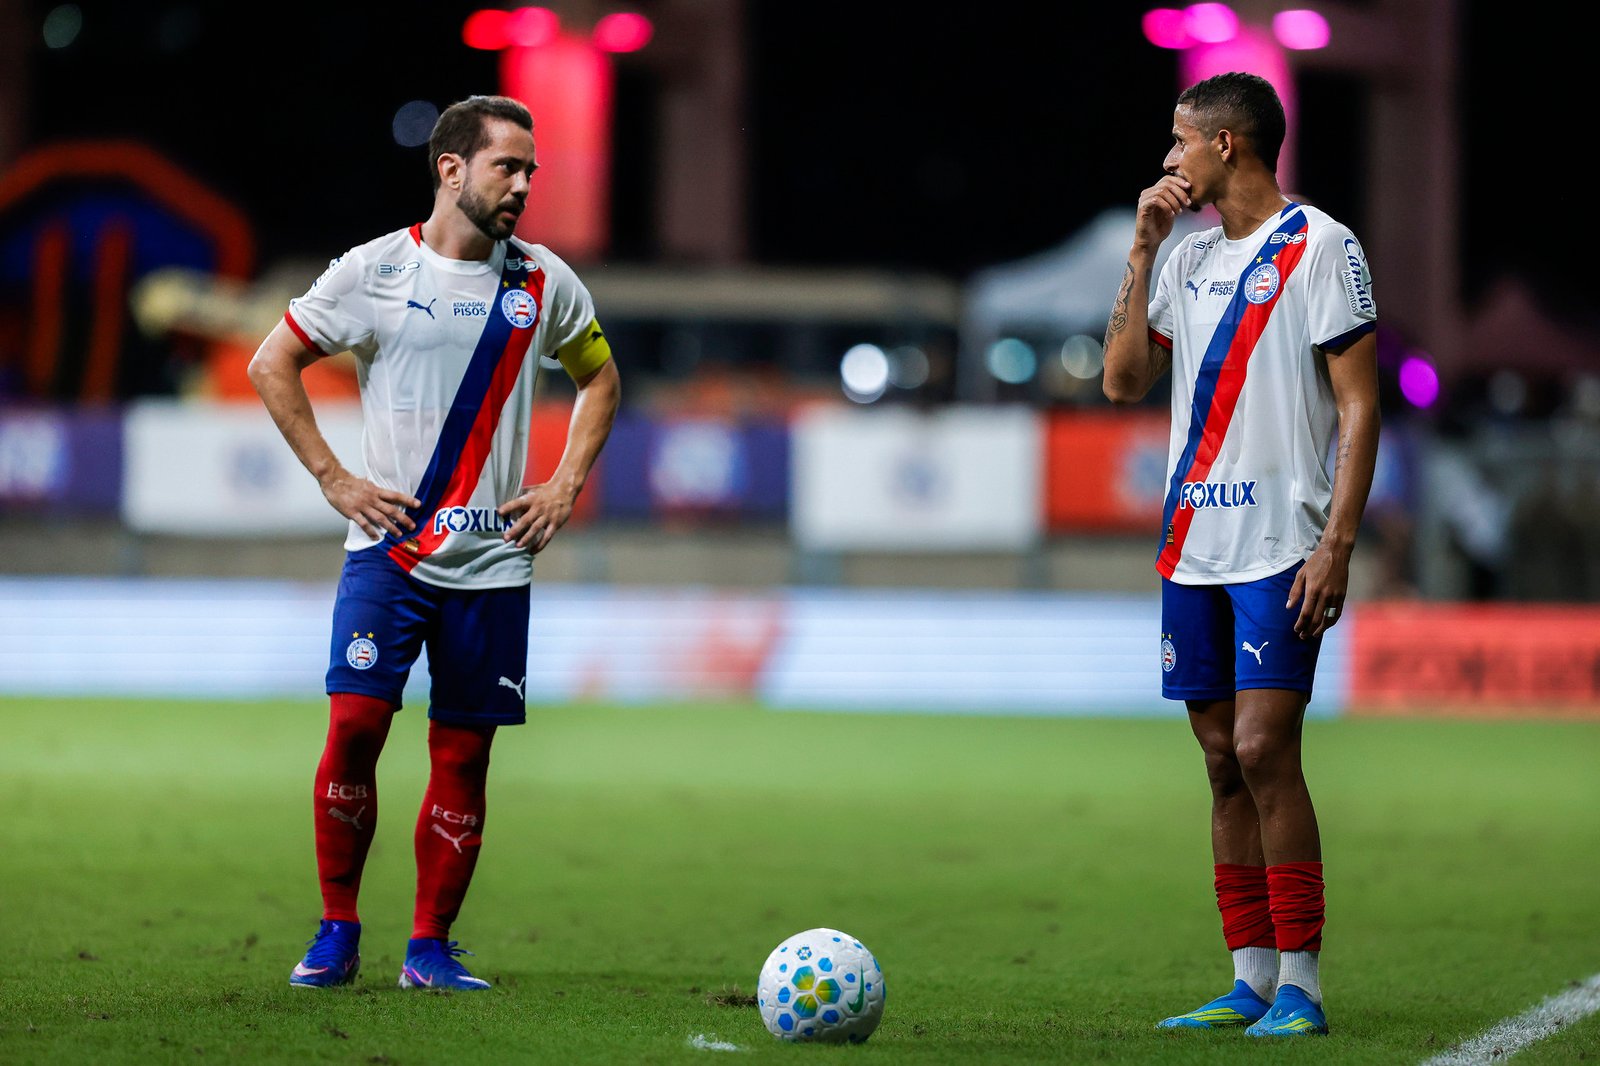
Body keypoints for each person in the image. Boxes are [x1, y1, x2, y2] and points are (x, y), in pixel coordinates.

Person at [248, 95, 620, 991]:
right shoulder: (372, 271)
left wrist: (566, 483)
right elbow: (273, 362)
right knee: (354, 733)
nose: (526, 185)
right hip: (390, 555)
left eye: (531, 169)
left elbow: (601, 378)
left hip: (493, 563)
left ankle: (428, 947)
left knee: (464, 754)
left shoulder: (544, 282)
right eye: (509, 167)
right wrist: (336, 480)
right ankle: (338, 930)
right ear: (451, 168)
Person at [1101, 71, 1379, 1038]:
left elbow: (1359, 404)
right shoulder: (1182, 259)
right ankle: (1249, 978)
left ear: (1227, 146)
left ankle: (1301, 983)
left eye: (1178, 140)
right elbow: (1123, 379)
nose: (1167, 159)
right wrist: (1140, 251)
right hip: (1192, 545)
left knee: (1266, 747)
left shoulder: (1321, 245)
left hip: (1280, 545)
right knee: (1221, 762)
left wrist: (1337, 542)